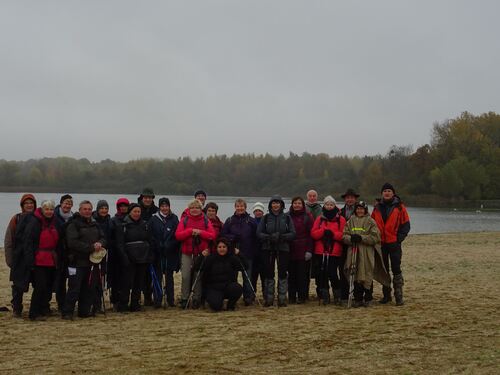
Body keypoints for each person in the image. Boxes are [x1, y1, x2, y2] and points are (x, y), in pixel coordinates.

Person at [62, 201, 106, 320]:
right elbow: (72, 243)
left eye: (89, 209)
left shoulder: (95, 224)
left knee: (88, 288)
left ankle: (84, 311)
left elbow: (103, 238)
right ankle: (67, 312)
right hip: (76, 262)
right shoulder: (73, 224)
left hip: (92, 263)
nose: (87, 211)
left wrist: (100, 243)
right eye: (85, 209)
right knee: (74, 288)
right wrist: (91, 247)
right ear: (80, 210)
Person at [342, 201, 390, 307]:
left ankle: (368, 298)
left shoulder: (371, 221)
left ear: (365, 210)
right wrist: (351, 239)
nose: (360, 211)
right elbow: (344, 236)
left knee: (367, 273)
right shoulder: (350, 221)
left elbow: (376, 237)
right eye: (358, 209)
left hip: (367, 252)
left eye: (362, 209)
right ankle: (357, 298)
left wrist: (362, 238)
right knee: (355, 273)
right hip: (354, 251)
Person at [371, 183, 410, 306]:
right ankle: (386, 295)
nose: (387, 193)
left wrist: (399, 239)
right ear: (382, 193)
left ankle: (399, 296)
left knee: (396, 269)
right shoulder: (376, 208)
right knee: (384, 270)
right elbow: (371, 224)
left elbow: (406, 225)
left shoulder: (400, 207)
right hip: (381, 244)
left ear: (393, 193)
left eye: (389, 191)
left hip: (394, 243)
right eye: (385, 191)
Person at [23, 200, 61, 321]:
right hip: (38, 259)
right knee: (40, 286)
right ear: (42, 210)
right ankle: (33, 313)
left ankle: (43, 309)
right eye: (47, 209)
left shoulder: (56, 222)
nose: (49, 212)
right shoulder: (34, 222)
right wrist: (30, 262)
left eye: (51, 209)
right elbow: (28, 243)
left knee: (49, 286)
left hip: (51, 258)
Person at [175, 199, 216, 309]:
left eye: (197, 208)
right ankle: (184, 298)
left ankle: (196, 298)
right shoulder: (184, 220)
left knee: (198, 276)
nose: (194, 210)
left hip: (200, 253)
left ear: (201, 209)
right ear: (189, 209)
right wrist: (189, 231)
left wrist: (200, 232)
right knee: (185, 276)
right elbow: (178, 235)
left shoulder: (206, 220)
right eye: (192, 208)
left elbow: (212, 235)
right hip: (187, 252)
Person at [256, 195, 296, 307]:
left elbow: (293, 233)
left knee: (283, 273)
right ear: (270, 205)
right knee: (269, 273)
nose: (275, 205)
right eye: (273, 203)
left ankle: (282, 299)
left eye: (277, 203)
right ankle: (269, 299)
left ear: (281, 205)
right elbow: (259, 233)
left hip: (283, 248)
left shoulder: (287, 217)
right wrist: (269, 237)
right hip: (268, 248)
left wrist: (282, 237)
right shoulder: (266, 217)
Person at [115, 203, 155, 312]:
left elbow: (150, 240)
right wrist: (124, 257)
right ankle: (123, 304)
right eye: (135, 211)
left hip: (142, 258)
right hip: (129, 258)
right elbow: (119, 244)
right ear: (130, 212)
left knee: (139, 282)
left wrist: (149, 255)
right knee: (126, 283)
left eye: (139, 212)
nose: (137, 214)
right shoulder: (123, 225)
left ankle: (135, 304)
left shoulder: (145, 225)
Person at [4, 193, 36, 317]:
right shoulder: (16, 219)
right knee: (18, 286)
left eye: (31, 203)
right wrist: (10, 259)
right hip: (19, 257)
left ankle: (40, 307)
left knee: (39, 284)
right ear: (22, 205)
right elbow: (8, 240)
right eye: (26, 203)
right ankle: (17, 308)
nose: (29, 205)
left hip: (34, 256)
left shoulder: (38, 218)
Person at [221, 199, 258, 305]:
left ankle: (248, 297)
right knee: (232, 277)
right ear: (235, 207)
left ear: (245, 207)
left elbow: (256, 237)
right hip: (233, 253)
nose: (240, 208)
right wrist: (233, 237)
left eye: (242, 206)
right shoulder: (230, 220)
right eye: (238, 206)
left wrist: (254, 251)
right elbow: (223, 235)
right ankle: (233, 296)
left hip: (247, 253)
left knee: (247, 277)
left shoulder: (251, 221)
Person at [310, 196, 346, 305]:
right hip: (321, 251)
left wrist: (333, 234)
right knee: (322, 274)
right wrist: (323, 232)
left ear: (334, 206)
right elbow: (313, 234)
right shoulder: (319, 219)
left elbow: (343, 235)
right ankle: (325, 296)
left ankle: (337, 296)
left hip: (334, 252)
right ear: (324, 206)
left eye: (331, 205)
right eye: (327, 204)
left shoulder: (341, 219)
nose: (329, 207)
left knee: (333, 274)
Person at [194, 238, 246, 312]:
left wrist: (239, 254)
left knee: (237, 288)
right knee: (216, 307)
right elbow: (197, 268)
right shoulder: (210, 258)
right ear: (216, 248)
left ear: (227, 248)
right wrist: (202, 256)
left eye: (224, 247)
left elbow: (245, 267)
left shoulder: (232, 258)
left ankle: (230, 305)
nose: (222, 249)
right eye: (219, 247)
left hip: (228, 286)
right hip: (213, 288)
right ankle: (216, 301)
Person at [149, 197, 181, 308]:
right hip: (158, 253)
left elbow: (177, 235)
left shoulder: (174, 218)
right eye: (162, 206)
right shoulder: (153, 219)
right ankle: (157, 300)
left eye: (166, 206)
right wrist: (157, 246)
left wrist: (170, 245)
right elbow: (150, 235)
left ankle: (170, 300)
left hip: (170, 252)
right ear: (159, 207)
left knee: (169, 277)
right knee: (157, 277)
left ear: (169, 206)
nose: (164, 208)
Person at [288, 197, 314, 304]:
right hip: (290, 248)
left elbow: (311, 235)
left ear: (303, 205)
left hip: (304, 248)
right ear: (292, 204)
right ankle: (292, 297)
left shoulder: (307, 216)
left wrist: (309, 250)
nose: (297, 205)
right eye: (295, 203)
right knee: (291, 275)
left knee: (302, 275)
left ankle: (302, 297)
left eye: (299, 203)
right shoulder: (287, 216)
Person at [137, 188, 158, 305]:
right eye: (146, 197)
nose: (148, 199)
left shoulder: (156, 210)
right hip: (139, 246)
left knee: (150, 273)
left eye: (150, 197)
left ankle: (148, 296)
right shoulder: (136, 209)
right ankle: (137, 296)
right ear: (142, 198)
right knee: (140, 273)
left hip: (152, 245)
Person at [339, 188, 360, 302]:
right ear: (345, 199)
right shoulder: (340, 212)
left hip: (357, 245)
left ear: (355, 199)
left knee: (357, 270)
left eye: (352, 197)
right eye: (348, 197)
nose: (350, 199)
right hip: (343, 245)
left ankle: (357, 295)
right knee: (343, 270)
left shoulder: (361, 211)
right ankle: (344, 295)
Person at [108, 198, 130, 307]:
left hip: (128, 252)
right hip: (115, 254)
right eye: (121, 206)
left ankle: (123, 300)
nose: (123, 208)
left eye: (125, 206)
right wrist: (117, 246)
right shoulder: (113, 220)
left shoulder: (130, 219)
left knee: (125, 278)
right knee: (115, 278)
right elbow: (110, 237)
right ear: (118, 207)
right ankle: (115, 299)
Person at [53, 194, 74, 311]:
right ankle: (60, 303)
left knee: (71, 279)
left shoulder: (74, 217)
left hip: (69, 253)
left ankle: (67, 302)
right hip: (57, 252)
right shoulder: (54, 215)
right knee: (59, 280)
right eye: (66, 203)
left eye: (70, 203)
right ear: (61, 203)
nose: (68, 205)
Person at [91, 200, 112, 314]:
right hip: (95, 252)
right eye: (102, 208)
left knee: (102, 278)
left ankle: (98, 303)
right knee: (94, 278)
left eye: (106, 208)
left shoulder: (110, 221)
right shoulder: (93, 220)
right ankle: (93, 303)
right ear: (98, 209)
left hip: (106, 252)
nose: (104, 210)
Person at [251, 202, 266, 297]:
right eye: (256, 211)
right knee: (253, 275)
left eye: (259, 211)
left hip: (264, 251)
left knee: (264, 275)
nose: (258, 212)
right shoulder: (251, 221)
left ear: (262, 212)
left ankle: (265, 294)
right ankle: (252, 294)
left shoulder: (266, 221)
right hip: (253, 252)